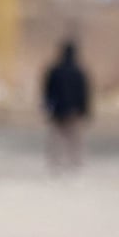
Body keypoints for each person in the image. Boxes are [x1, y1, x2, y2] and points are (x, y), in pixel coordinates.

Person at [43, 39, 91, 170]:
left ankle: (56, 164)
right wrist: (85, 111)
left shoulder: (54, 71)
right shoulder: (79, 72)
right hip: (74, 112)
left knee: (57, 140)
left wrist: (47, 108)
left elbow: (48, 92)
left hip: (57, 111)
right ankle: (74, 164)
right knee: (74, 140)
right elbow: (84, 94)